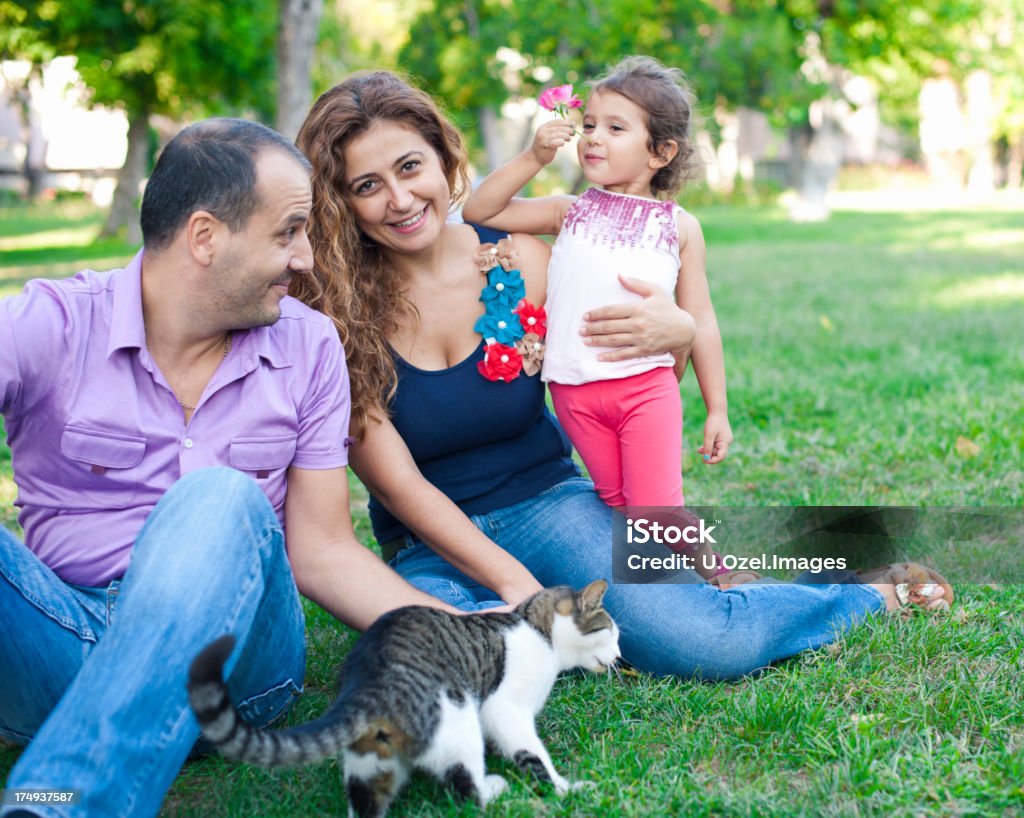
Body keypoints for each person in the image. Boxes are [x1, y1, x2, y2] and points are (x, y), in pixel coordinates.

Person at [291, 70, 951, 682]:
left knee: (704, 643)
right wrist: (518, 586)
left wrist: (679, 333)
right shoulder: (333, 311)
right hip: (427, 545)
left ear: (443, 159)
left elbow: (629, 369)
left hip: (550, 504)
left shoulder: (524, 260)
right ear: (341, 200)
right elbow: (397, 482)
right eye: (367, 185)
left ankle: (860, 593)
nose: (400, 199)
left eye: (411, 167)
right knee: (441, 669)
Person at [0, 118, 459, 818]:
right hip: (64, 641)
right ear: (206, 237)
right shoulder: (52, 325)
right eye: (287, 233)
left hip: (241, 665)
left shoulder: (309, 347)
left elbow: (327, 550)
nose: (306, 258)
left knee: (217, 496)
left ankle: (62, 803)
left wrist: (473, 639)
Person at [462, 56, 729, 579]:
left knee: (657, 508)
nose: (593, 139)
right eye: (589, 126)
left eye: (614, 128)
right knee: (619, 505)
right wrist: (533, 156)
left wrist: (716, 408)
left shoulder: (678, 226)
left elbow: (702, 318)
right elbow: (481, 210)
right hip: (574, 391)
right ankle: (655, 593)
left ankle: (721, 575)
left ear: (661, 152)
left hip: (643, 387)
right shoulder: (570, 210)